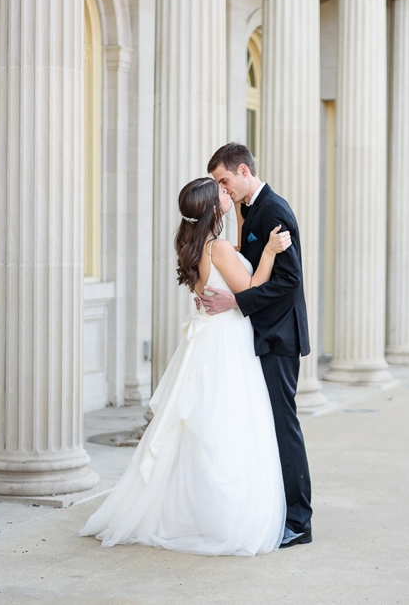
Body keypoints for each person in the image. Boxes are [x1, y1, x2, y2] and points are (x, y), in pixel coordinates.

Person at [79, 177, 293, 556]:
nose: (226, 192)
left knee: (202, 427)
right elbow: (252, 289)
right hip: (226, 342)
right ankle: (220, 515)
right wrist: (272, 253)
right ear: (213, 209)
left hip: (208, 340)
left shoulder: (193, 244)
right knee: (228, 426)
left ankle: (190, 510)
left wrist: (241, 218)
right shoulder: (219, 247)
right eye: (221, 193)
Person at [202, 142, 313, 548]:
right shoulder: (249, 209)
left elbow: (288, 280)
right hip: (261, 334)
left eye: (224, 180)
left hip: (280, 335)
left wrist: (236, 301)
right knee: (267, 427)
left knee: (285, 428)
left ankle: (299, 522)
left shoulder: (274, 210)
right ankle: (278, 511)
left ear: (244, 171)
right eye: (218, 183)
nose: (222, 189)